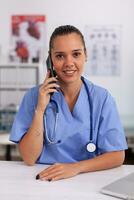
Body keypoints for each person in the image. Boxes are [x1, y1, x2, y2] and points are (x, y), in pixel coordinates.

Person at [10, 25, 127, 181]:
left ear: (85, 55)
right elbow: (29, 158)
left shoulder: (102, 98)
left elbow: (117, 155)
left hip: (88, 180)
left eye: (76, 54)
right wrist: (40, 109)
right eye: (60, 56)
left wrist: (76, 168)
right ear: (50, 59)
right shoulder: (33, 97)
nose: (69, 63)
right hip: (43, 180)